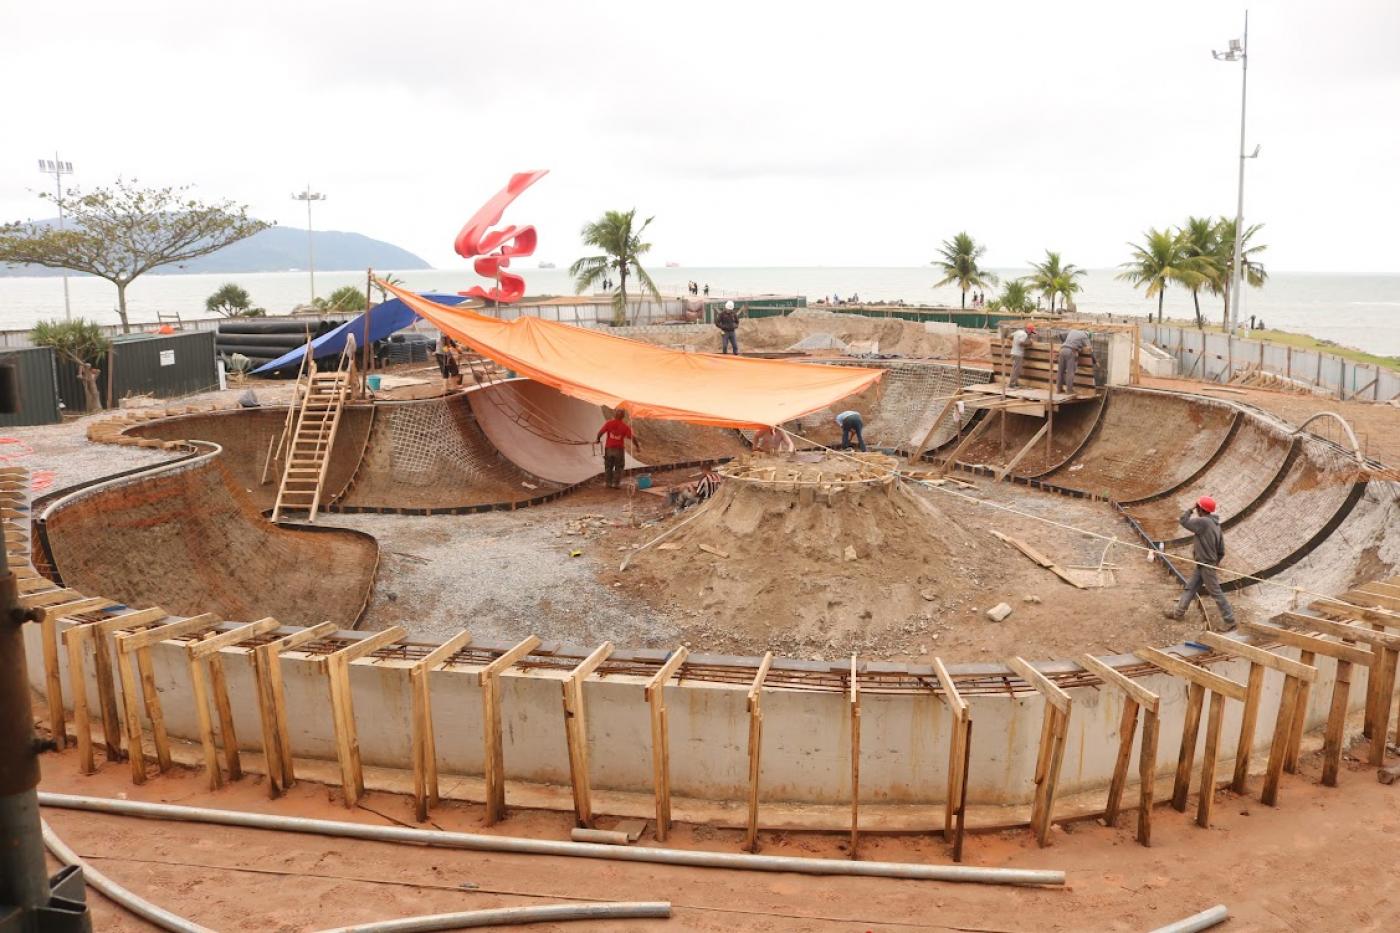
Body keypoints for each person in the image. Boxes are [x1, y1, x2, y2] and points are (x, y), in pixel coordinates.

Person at [1167, 496, 1236, 630]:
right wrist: (1214, 563)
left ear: (1200, 509)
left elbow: (1183, 521)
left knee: (1216, 593)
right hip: (1204, 564)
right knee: (1190, 587)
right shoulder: (1216, 525)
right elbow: (1221, 550)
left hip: (1205, 565)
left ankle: (1230, 621)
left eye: (1198, 507)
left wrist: (1190, 509)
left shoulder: (1203, 522)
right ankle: (1178, 613)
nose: (1197, 509)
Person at [594, 409, 640, 489]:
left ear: (615, 415)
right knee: (619, 467)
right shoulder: (625, 427)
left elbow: (600, 432)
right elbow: (633, 437)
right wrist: (637, 446)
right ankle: (616, 484)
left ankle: (608, 483)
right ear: (623, 417)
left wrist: (598, 439)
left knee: (608, 466)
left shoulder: (609, 423)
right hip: (619, 449)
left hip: (609, 448)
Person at [1055, 329, 1095, 394]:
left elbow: (1061, 335)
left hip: (1062, 350)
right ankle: (1069, 390)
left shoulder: (1073, 331)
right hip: (1071, 351)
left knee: (1060, 371)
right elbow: (1089, 349)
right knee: (1070, 372)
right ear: (1088, 335)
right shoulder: (1085, 336)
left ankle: (1059, 389)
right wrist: (1094, 360)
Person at [1008, 323, 1036, 388]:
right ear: (1028, 330)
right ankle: (1012, 384)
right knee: (1016, 369)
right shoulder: (1024, 334)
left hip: (1013, 352)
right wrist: (1029, 343)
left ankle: (1015, 382)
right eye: (1031, 332)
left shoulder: (1018, 332)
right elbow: (1020, 343)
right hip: (1018, 354)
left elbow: (1009, 337)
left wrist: (1012, 342)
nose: (1031, 333)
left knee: (1016, 369)